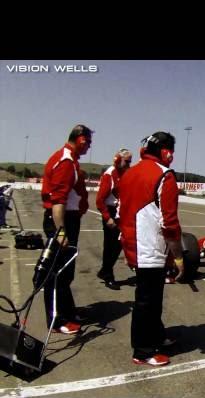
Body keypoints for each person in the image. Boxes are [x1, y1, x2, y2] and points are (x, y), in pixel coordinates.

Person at [118, 132, 183, 366]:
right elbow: (170, 223)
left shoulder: (129, 173)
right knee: (147, 301)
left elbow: (120, 213)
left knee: (151, 299)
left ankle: (156, 336)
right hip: (150, 248)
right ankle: (143, 350)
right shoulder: (164, 175)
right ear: (166, 152)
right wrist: (178, 257)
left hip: (133, 244)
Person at [40, 124, 92, 334]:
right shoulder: (65, 161)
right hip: (62, 221)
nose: (89, 146)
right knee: (57, 272)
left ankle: (67, 310)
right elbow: (58, 202)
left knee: (66, 271)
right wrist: (61, 232)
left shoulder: (70, 160)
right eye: (88, 142)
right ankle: (56, 319)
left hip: (68, 220)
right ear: (80, 139)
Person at [96, 148, 132, 289]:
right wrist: (107, 218)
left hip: (120, 212)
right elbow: (99, 200)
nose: (129, 164)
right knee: (111, 246)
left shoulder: (125, 173)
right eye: (127, 161)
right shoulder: (109, 174)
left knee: (119, 244)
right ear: (117, 159)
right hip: (110, 212)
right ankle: (108, 275)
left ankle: (104, 271)